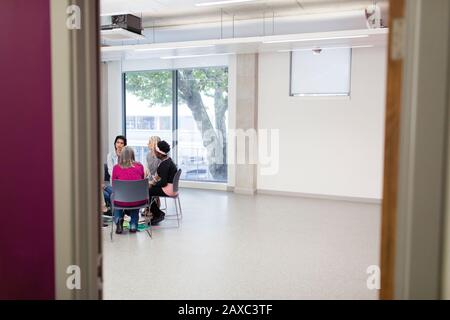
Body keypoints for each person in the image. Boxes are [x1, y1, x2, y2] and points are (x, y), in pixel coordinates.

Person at [111, 146, 145, 234]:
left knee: (115, 195)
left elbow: (114, 185)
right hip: (138, 200)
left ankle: (118, 220)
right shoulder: (140, 166)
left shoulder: (116, 168)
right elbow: (141, 182)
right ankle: (133, 225)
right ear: (133, 155)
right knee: (135, 194)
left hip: (121, 201)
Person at [148, 141, 178, 225]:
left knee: (147, 191)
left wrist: (153, 184)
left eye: (155, 150)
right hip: (172, 188)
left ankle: (158, 213)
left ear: (160, 154)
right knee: (150, 190)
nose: (154, 151)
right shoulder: (168, 160)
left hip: (168, 189)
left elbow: (163, 183)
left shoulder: (164, 165)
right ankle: (157, 212)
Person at [103, 135, 127, 209]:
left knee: (110, 194)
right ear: (115, 144)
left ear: (124, 145)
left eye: (121, 143)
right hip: (114, 181)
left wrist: (121, 155)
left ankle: (113, 209)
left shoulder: (126, 155)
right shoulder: (110, 155)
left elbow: (127, 170)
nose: (119, 145)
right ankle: (114, 208)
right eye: (117, 142)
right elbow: (111, 170)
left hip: (124, 183)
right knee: (108, 194)